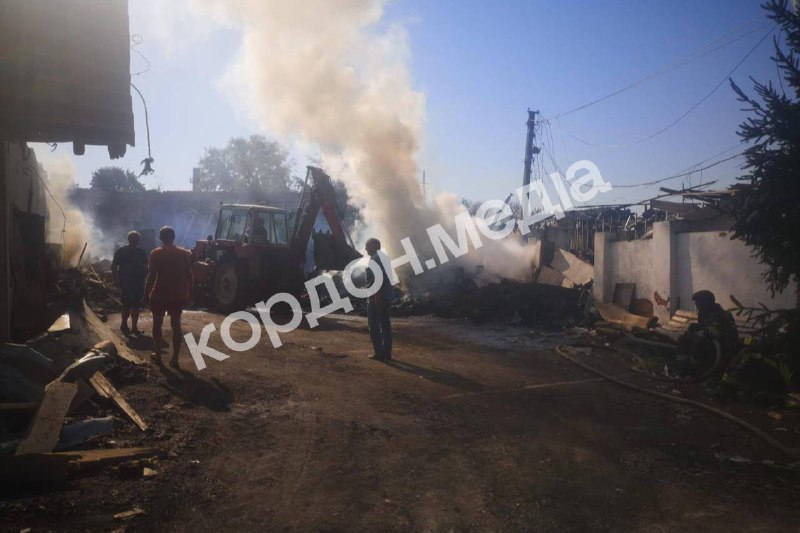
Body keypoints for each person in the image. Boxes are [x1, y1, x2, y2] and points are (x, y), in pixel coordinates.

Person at [143, 226, 194, 368]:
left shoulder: (156, 254)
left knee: (157, 325)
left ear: (160, 238)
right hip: (177, 295)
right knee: (176, 326)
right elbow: (190, 275)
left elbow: (151, 276)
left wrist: (146, 294)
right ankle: (175, 358)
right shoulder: (183, 254)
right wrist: (190, 293)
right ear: (174, 237)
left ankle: (158, 355)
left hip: (159, 294)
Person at [676, 290, 739, 376]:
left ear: (705, 303)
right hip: (709, 342)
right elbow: (704, 328)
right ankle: (682, 370)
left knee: (698, 342)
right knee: (683, 339)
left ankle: (694, 373)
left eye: (698, 302)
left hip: (724, 345)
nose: (696, 305)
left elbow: (716, 333)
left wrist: (701, 331)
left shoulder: (720, 314)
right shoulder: (703, 313)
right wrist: (695, 328)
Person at [111, 231, 148, 335]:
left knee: (136, 305)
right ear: (129, 239)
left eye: (137, 239)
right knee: (126, 305)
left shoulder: (141, 252)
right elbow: (114, 266)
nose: (136, 240)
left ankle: (134, 328)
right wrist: (116, 279)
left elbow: (146, 266)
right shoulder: (122, 251)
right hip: (126, 282)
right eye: (134, 238)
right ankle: (124, 325)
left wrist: (145, 279)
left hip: (137, 282)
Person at [365, 238, 393, 361]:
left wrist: (377, 297)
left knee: (374, 324)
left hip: (377, 298)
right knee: (385, 325)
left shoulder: (374, 260)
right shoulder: (385, 259)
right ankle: (386, 352)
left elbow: (377, 280)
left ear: (373, 247)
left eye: (367, 246)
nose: (365, 249)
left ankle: (379, 353)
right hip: (387, 296)